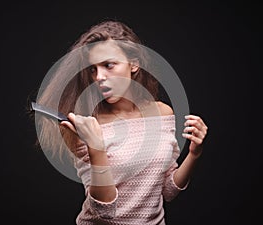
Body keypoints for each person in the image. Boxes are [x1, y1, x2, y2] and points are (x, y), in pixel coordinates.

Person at [31, 19, 208, 225]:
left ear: (134, 64)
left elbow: (168, 189)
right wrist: (96, 147)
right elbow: (104, 210)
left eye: (108, 65)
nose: (99, 77)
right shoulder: (88, 126)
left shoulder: (163, 113)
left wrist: (195, 154)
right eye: (92, 69)